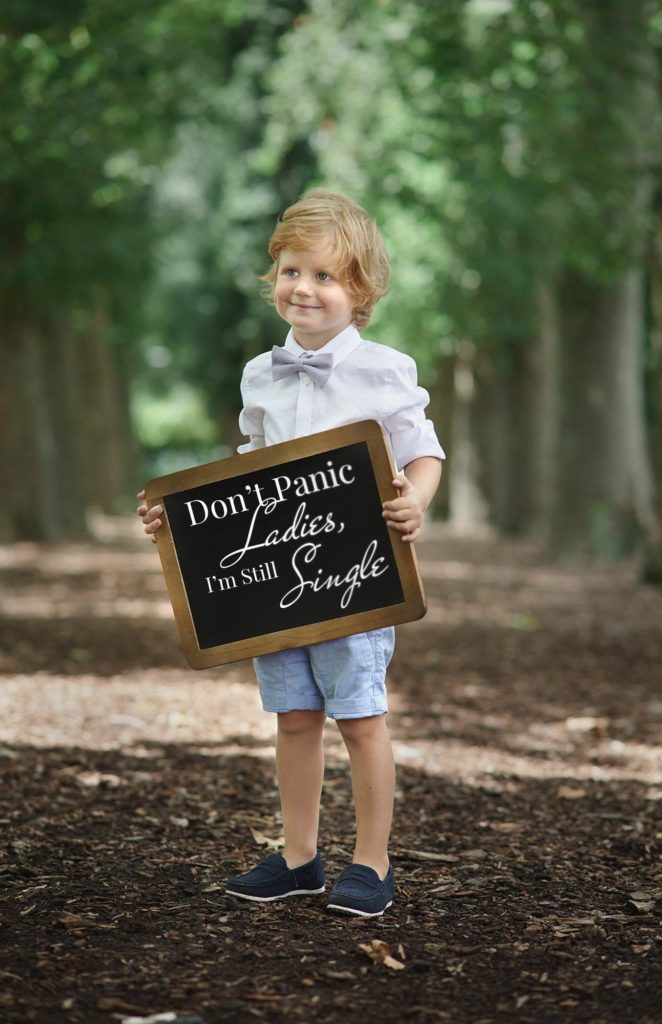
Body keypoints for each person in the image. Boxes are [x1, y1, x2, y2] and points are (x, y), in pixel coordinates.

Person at [137, 190, 444, 917]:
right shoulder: (259, 374)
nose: (303, 288)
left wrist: (415, 500)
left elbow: (424, 453)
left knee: (361, 716)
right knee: (294, 717)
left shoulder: (386, 369)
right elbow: (248, 477)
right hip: (274, 588)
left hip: (356, 581)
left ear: (360, 290)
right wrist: (180, 524)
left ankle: (372, 862)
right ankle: (300, 856)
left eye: (324, 276)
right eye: (290, 271)